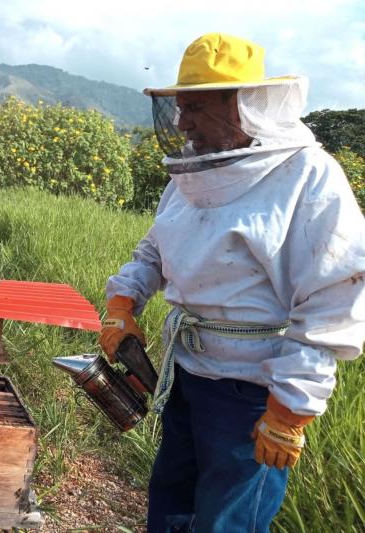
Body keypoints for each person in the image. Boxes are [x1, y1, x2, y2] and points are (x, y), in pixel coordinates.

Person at [98, 33, 365, 532]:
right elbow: (154, 250)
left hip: (254, 390)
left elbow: (334, 297)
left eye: (197, 107)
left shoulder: (309, 177)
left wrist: (289, 409)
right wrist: (122, 301)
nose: (184, 122)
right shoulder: (192, 175)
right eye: (180, 108)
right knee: (171, 501)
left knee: (228, 521)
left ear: (245, 105)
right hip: (186, 373)